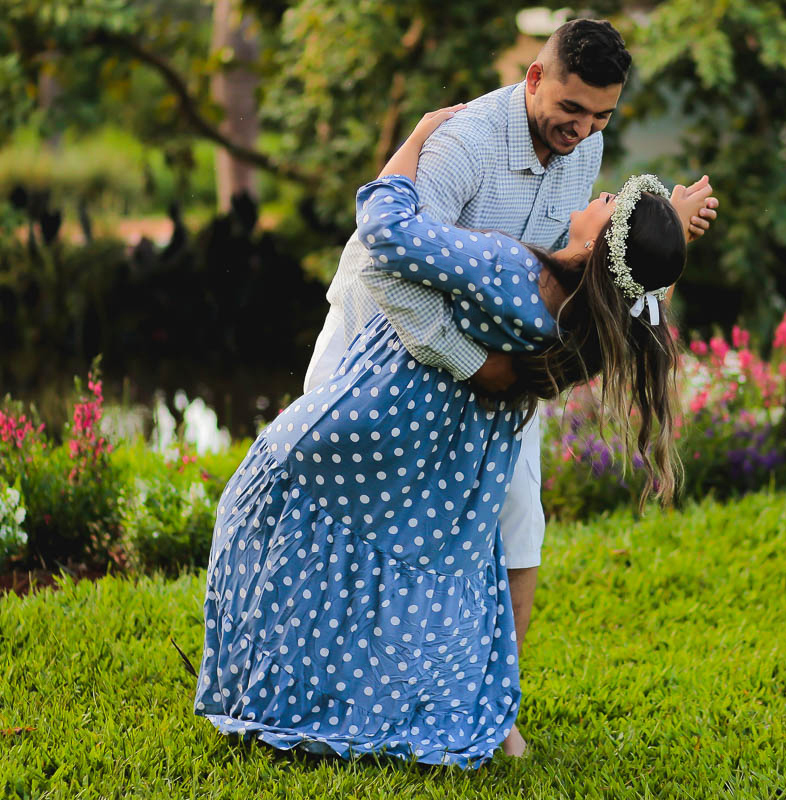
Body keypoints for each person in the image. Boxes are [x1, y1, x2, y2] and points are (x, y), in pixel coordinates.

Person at [193, 105, 711, 769]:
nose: (603, 195)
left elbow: (386, 234)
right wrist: (667, 226)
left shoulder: (508, 269)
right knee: (406, 582)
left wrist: (415, 137)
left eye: (615, 204)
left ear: (598, 247)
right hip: (454, 468)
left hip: (375, 419)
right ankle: (407, 710)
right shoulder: (591, 330)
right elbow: (637, 281)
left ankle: (275, 698)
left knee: (264, 514)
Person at [302, 18, 718, 757]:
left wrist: (657, 237)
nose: (583, 131)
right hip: (379, 348)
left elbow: (580, 265)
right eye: (571, 108)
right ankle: (336, 693)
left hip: (500, 360)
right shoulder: (464, 143)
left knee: (520, 515)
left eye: (601, 117)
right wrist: (476, 365)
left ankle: (492, 711)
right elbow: (386, 266)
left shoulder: (585, 150)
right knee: (350, 525)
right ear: (534, 77)